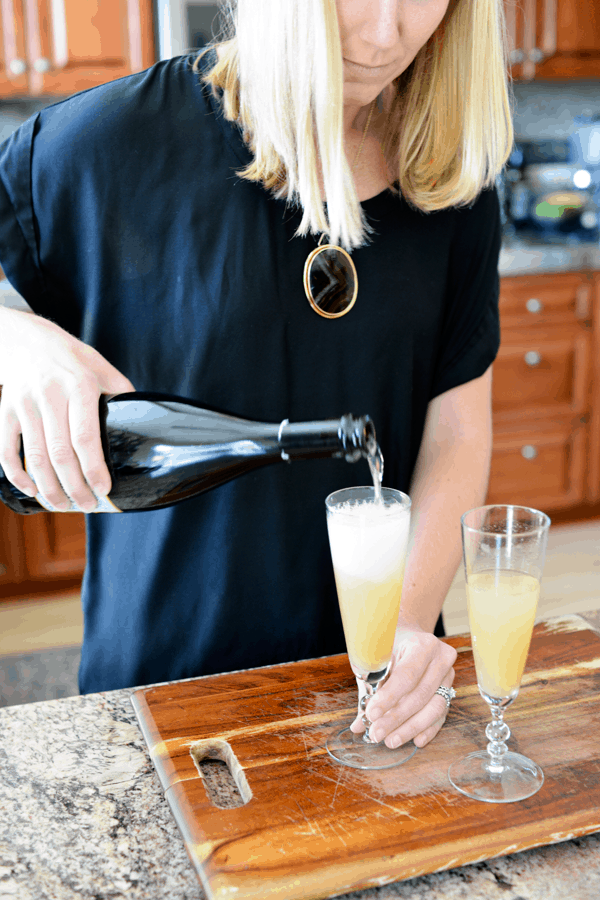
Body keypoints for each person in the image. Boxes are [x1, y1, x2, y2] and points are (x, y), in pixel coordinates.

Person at [0, 0, 512, 752]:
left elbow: (459, 429)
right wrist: (16, 339)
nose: (385, 32)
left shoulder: (454, 177)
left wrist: (403, 624)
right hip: (167, 687)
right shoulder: (107, 144)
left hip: (373, 696)